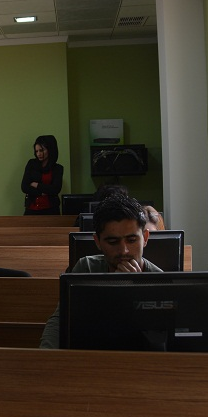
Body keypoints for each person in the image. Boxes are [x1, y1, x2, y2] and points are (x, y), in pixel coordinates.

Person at [40, 195, 161, 349]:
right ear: (97, 242)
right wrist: (46, 354)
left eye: (132, 240)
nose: (124, 250)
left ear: (145, 238)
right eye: (113, 242)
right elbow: (61, 319)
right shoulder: (86, 268)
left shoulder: (160, 281)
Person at [22, 135, 64, 216]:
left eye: (41, 150)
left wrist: (36, 185)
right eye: (36, 151)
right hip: (31, 209)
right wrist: (42, 192)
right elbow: (24, 187)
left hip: (51, 210)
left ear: (50, 150)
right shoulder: (31, 164)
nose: (38, 154)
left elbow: (55, 189)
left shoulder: (57, 168)